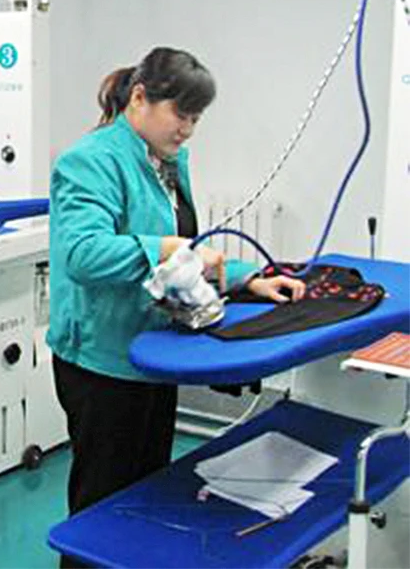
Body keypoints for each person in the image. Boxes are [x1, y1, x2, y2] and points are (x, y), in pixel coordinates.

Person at [47, 47, 305, 563]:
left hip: (154, 353)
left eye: (196, 119)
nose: (187, 130)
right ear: (140, 97)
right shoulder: (90, 161)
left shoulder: (165, 161)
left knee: (148, 493)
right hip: (102, 363)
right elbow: (82, 254)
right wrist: (163, 247)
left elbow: (182, 255)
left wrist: (247, 278)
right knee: (101, 508)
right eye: (180, 114)